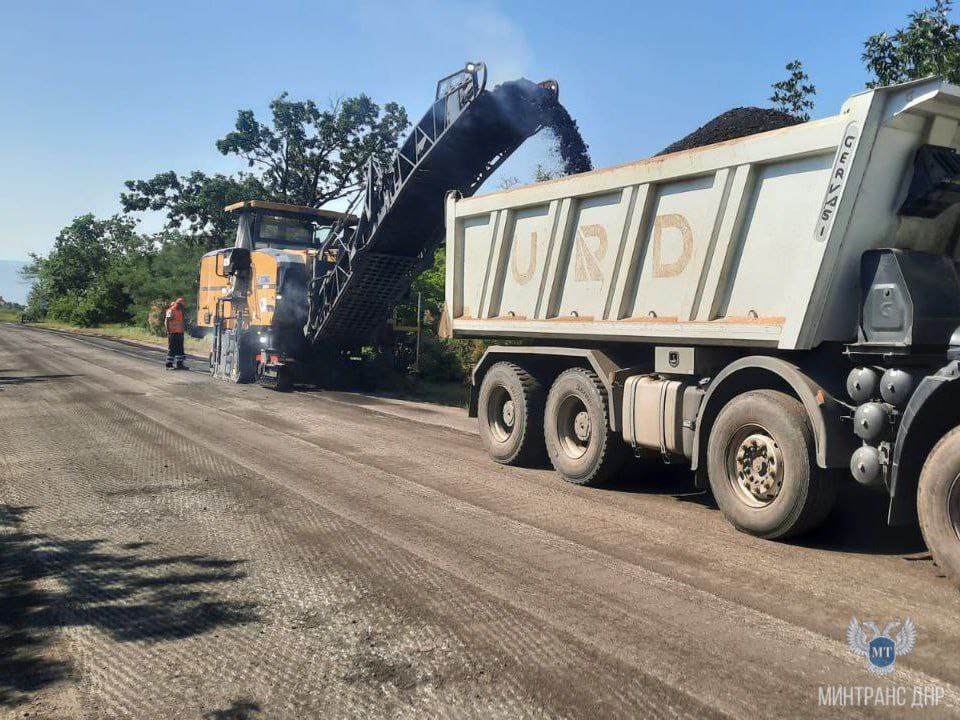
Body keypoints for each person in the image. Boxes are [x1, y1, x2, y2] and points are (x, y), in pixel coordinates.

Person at [164, 297, 188, 370]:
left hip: (180, 333)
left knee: (180, 349)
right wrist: (168, 331)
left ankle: (180, 364)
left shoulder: (180, 311)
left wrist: (183, 330)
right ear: (178, 304)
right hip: (172, 333)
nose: (182, 307)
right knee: (172, 349)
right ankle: (169, 365)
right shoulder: (170, 311)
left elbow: (181, 322)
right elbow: (166, 321)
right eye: (181, 306)